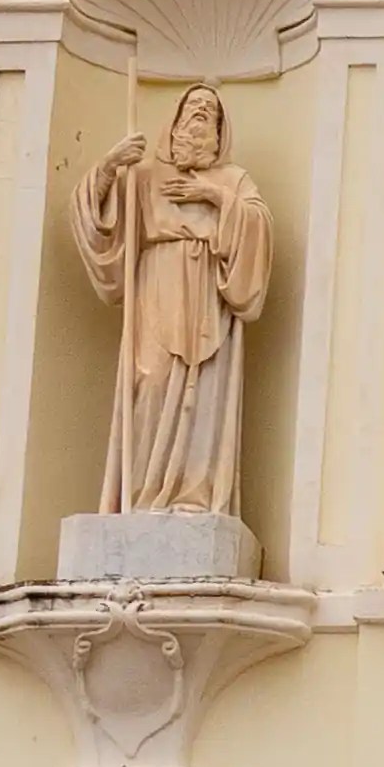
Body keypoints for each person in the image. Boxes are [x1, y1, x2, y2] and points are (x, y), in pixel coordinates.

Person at [70, 82, 273, 520]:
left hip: (207, 296)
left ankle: (192, 496)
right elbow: (93, 219)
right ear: (176, 122)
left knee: (201, 398)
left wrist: (214, 197)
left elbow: (258, 230)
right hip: (156, 289)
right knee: (150, 381)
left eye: (209, 112)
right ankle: (141, 495)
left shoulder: (234, 180)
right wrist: (109, 166)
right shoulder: (142, 176)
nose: (199, 116)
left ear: (219, 130)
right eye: (193, 109)